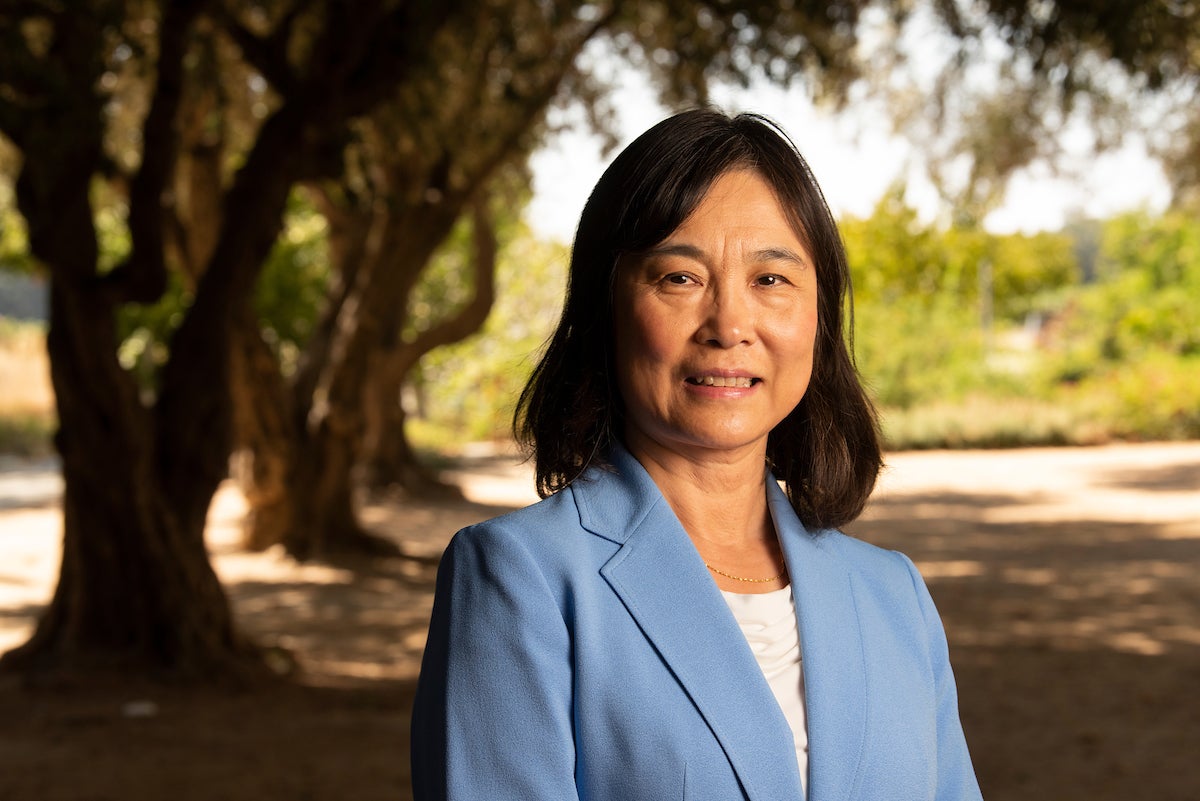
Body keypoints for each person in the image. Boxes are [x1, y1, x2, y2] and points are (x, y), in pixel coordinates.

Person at [411, 108, 983, 801]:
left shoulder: (895, 595)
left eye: (771, 280)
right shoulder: (522, 576)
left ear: (819, 319)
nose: (730, 325)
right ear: (607, 309)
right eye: (679, 278)